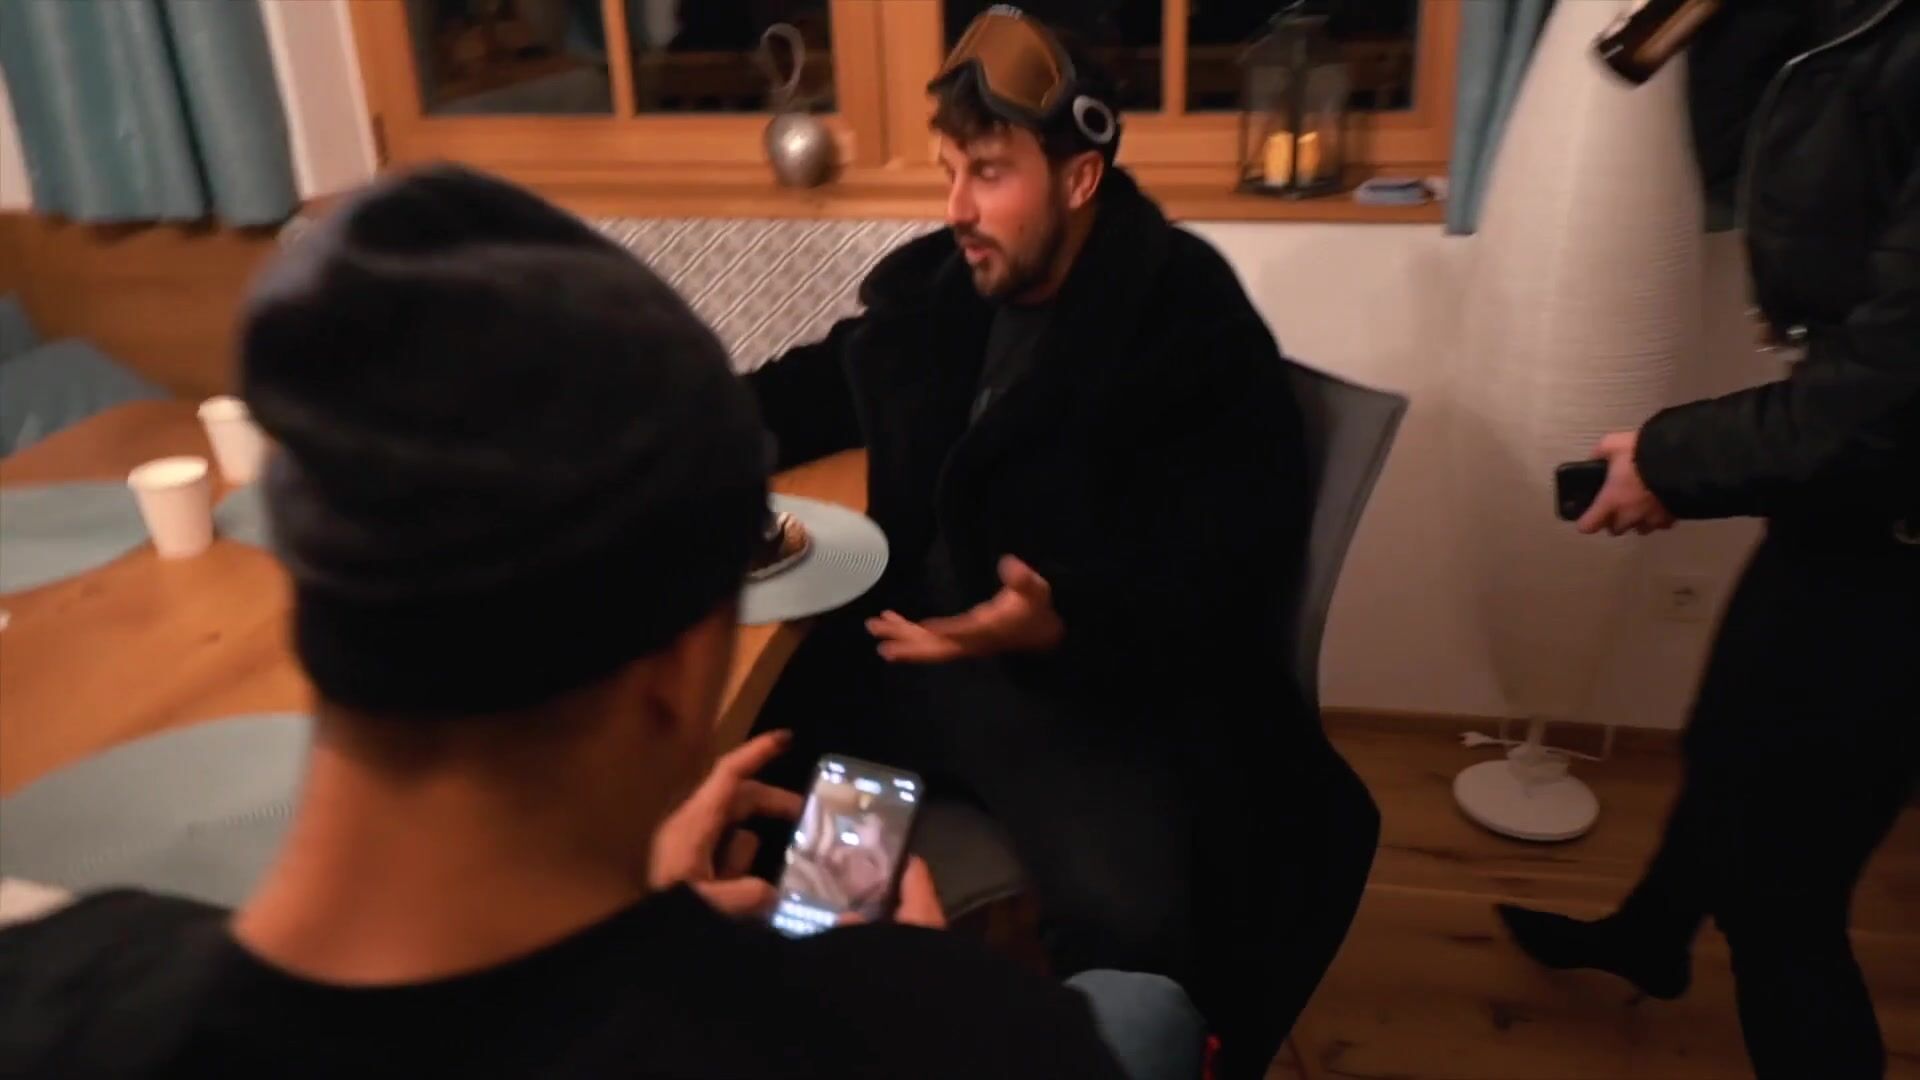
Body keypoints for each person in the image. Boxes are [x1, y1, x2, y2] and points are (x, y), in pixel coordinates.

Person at [0, 165, 1196, 1079]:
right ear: (678, 675)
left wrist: (647, 922)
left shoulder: (52, 985)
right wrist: (926, 1003)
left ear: (314, 606)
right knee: (1145, 1006)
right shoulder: (953, 1035)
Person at [745, 9, 1377, 1075]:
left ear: (1081, 177)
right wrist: (677, 429)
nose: (957, 207)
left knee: (1140, 939)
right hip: (908, 667)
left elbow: (1227, 567)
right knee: (807, 891)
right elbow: (818, 385)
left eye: (989, 173)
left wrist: (1063, 622)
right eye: (950, 171)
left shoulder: (1187, 323)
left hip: (1085, 697)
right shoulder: (945, 289)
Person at [1499, 2, 1920, 1076]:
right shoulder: (1836, 26)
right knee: (1728, 740)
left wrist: (1671, 460)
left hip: (1898, 522)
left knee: (1784, 892)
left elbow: (1887, 399)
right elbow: (1732, 146)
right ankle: (1653, 938)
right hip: (1851, 503)